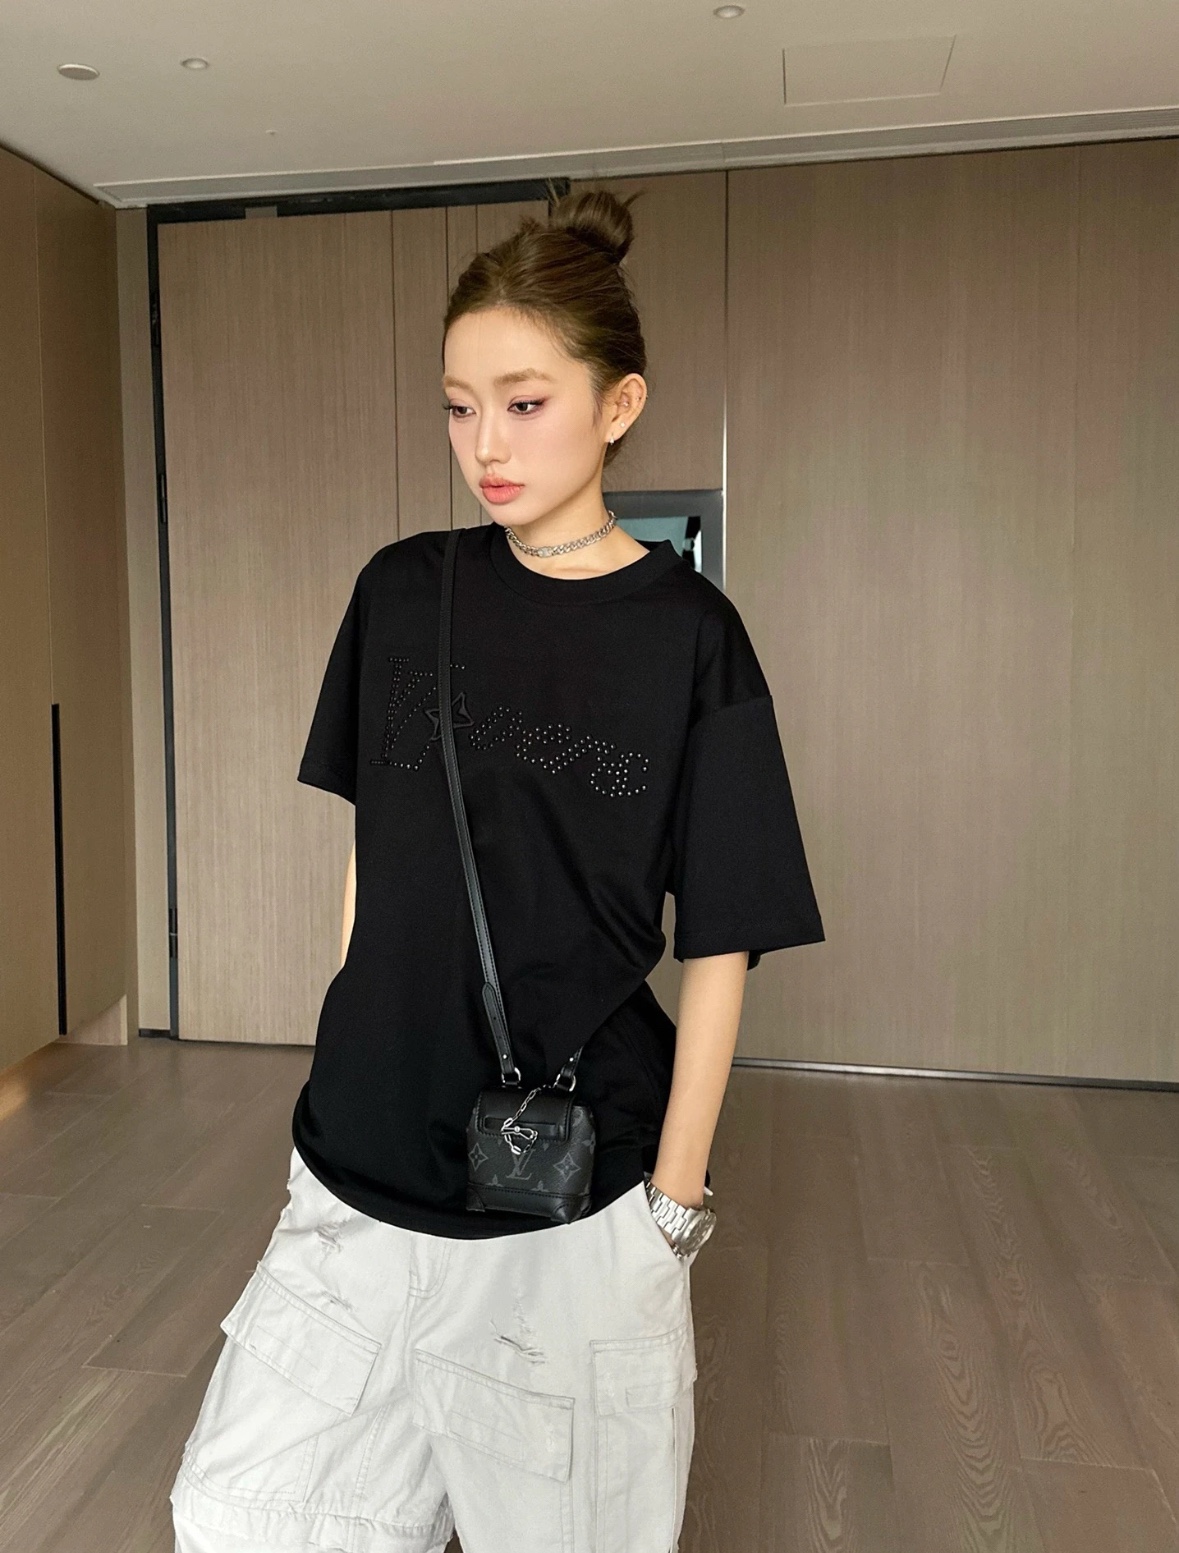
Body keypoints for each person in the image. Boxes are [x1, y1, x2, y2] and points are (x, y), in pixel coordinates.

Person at [170, 185, 824, 1553]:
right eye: (460, 406)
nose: (487, 443)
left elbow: (723, 936)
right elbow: (376, 852)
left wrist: (674, 1204)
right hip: (355, 1162)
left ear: (618, 403)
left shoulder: (691, 637)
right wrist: (351, 1036)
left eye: (525, 403)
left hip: (570, 1200)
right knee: (243, 1515)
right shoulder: (403, 591)